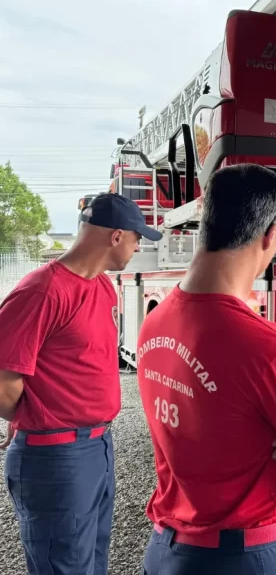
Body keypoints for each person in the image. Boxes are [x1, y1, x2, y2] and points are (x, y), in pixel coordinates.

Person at [136, 165, 276, 574]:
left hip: (165, 550)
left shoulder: (155, 319)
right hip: (241, 557)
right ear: (272, 235)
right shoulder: (273, 350)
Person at [0, 192, 160, 574]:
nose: (139, 248)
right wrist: (31, 417)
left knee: (91, 561)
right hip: (55, 457)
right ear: (117, 236)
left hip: (97, 446)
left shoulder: (103, 287)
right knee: (64, 565)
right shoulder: (42, 290)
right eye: (138, 238)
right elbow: (4, 382)